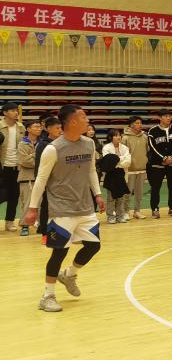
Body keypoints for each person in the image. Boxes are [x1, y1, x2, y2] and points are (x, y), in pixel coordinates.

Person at [23, 104, 105, 313]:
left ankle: (68, 275)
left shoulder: (89, 144)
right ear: (73, 122)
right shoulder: (53, 149)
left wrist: (97, 194)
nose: (88, 120)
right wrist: (32, 209)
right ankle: (47, 296)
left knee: (93, 246)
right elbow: (41, 180)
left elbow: (91, 171)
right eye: (84, 117)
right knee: (60, 252)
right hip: (61, 208)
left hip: (85, 207)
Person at [147, 109, 172, 218]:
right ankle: (155, 209)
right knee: (155, 187)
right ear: (160, 117)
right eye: (166, 116)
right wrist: (163, 158)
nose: (168, 118)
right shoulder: (152, 131)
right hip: (157, 165)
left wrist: (171, 157)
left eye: (169, 116)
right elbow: (152, 147)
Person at [1, 102, 26, 232]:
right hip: (2, 166)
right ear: (5, 113)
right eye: (12, 110)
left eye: (16, 110)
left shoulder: (21, 127)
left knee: (14, 195)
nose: (16, 112)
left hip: (17, 167)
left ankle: (9, 222)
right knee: (2, 194)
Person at [35, 115, 61, 235]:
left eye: (61, 128)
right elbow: (39, 166)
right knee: (46, 205)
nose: (60, 130)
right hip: (48, 181)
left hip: (61, 181)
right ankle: (44, 232)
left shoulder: (63, 143)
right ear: (48, 129)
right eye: (57, 128)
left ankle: (60, 231)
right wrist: (43, 183)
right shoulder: (43, 144)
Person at [100, 128, 131, 224]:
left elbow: (128, 162)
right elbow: (109, 162)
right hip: (111, 176)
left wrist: (116, 160)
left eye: (119, 135)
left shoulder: (125, 148)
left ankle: (120, 216)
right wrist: (121, 158)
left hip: (122, 175)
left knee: (121, 198)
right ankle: (110, 217)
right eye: (116, 135)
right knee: (111, 198)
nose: (118, 137)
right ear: (111, 137)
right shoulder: (106, 148)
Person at [17, 119, 42, 236]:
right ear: (28, 129)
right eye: (36, 126)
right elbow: (24, 161)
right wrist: (37, 158)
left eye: (40, 126)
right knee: (27, 203)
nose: (39, 128)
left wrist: (31, 156)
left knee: (42, 203)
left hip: (41, 177)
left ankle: (41, 225)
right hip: (26, 177)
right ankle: (25, 225)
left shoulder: (43, 143)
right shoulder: (22, 144)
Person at [122, 116, 149, 219]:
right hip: (130, 169)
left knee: (139, 193)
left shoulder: (144, 137)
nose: (140, 125)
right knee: (127, 192)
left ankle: (137, 211)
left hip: (142, 168)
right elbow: (123, 153)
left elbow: (147, 151)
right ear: (131, 124)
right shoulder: (125, 138)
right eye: (137, 123)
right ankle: (125, 211)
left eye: (140, 123)